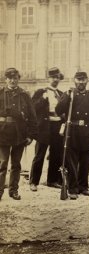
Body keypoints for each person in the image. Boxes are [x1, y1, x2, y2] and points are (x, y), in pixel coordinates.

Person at [55, 71, 89, 199]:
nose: (81, 82)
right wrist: (67, 97)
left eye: (83, 80)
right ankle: (73, 188)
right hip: (72, 133)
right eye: (79, 80)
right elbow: (58, 110)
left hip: (87, 133)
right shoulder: (70, 94)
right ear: (75, 80)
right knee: (72, 163)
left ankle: (83, 187)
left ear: (87, 81)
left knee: (85, 162)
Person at [0, 68, 37, 200]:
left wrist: (30, 135)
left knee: (16, 164)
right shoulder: (0, 93)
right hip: (2, 133)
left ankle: (13, 191)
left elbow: (32, 116)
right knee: (2, 163)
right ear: (6, 79)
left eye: (15, 78)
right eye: (10, 78)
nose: (13, 80)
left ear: (18, 79)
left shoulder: (24, 95)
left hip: (19, 134)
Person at [30, 67, 65, 191]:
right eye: (53, 77)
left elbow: (64, 111)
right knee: (40, 154)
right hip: (44, 127)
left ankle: (52, 180)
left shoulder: (61, 94)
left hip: (57, 126)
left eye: (57, 77)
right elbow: (33, 108)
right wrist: (43, 99)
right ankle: (34, 182)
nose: (55, 79)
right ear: (48, 78)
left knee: (56, 154)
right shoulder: (41, 92)